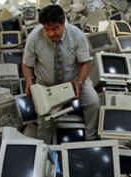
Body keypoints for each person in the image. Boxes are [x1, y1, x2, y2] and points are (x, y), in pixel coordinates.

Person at [22, 4, 99, 143]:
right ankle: (44, 147)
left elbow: (84, 63)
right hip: (46, 84)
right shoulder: (34, 36)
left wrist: (79, 82)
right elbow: (27, 64)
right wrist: (28, 81)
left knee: (93, 101)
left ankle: (90, 139)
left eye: (55, 28)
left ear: (63, 23)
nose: (50, 33)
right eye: (46, 29)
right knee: (45, 119)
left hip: (75, 79)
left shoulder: (77, 35)